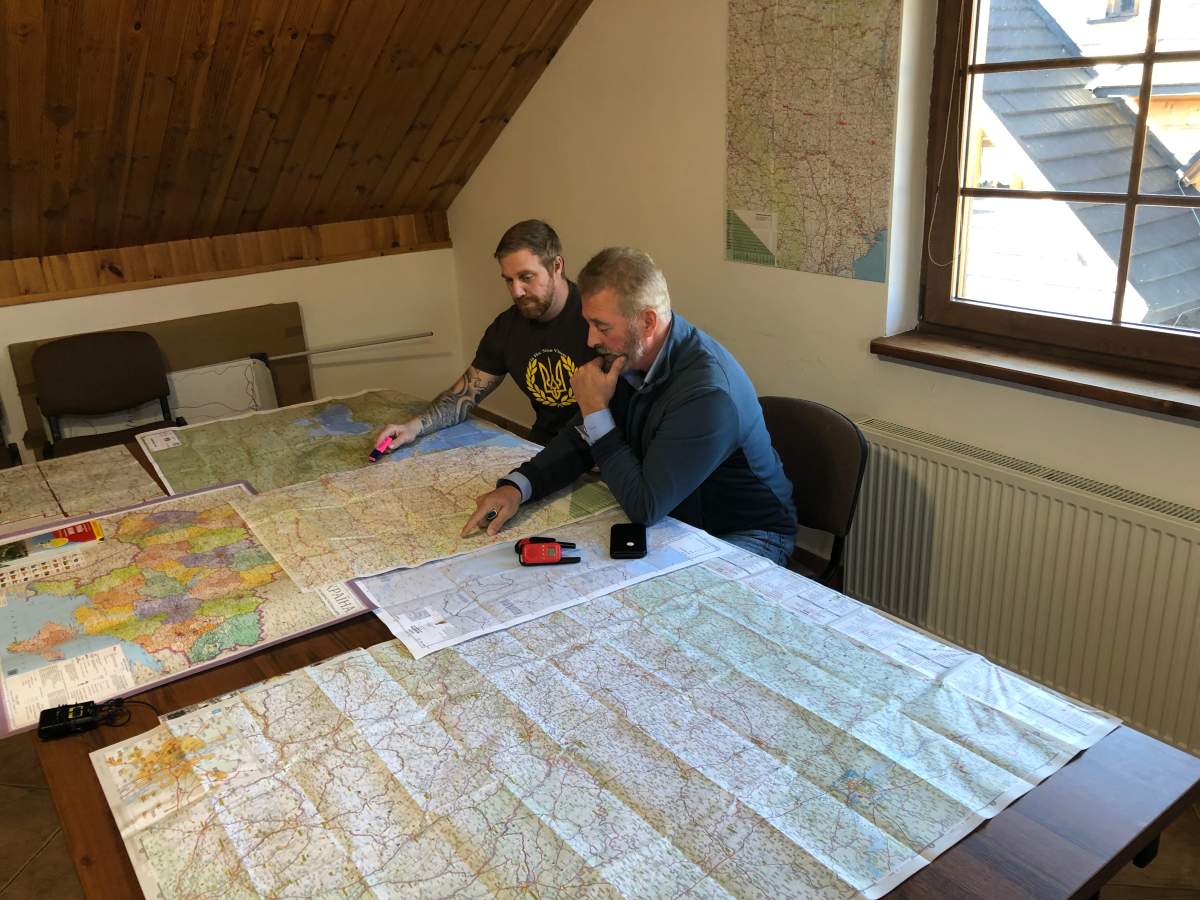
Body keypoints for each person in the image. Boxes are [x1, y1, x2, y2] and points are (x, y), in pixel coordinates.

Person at [461, 246, 797, 565]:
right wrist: (518, 487)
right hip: (677, 518)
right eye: (589, 323)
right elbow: (581, 439)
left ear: (647, 322)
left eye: (602, 327)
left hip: (745, 535)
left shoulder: (707, 395)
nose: (591, 340)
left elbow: (644, 505)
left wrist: (595, 411)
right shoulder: (629, 354)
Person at [376, 220, 595, 449]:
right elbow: (464, 395)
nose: (517, 291)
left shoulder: (597, 319)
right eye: (509, 280)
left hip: (601, 452)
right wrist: (413, 427)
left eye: (526, 277)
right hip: (545, 447)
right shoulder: (507, 327)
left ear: (556, 266)